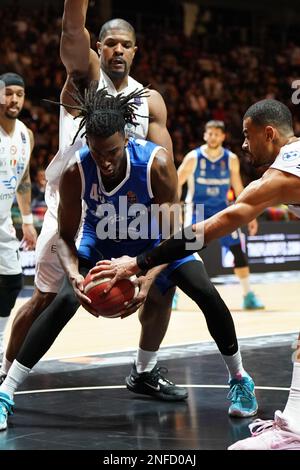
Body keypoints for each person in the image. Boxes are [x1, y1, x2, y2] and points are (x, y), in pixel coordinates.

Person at [0, 85, 258, 431]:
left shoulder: (157, 163)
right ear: (87, 144)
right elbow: (64, 237)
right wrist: (74, 274)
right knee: (61, 302)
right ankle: (6, 391)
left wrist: (147, 276)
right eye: (97, 152)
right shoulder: (76, 169)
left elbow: (174, 234)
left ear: (126, 137)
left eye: (112, 151)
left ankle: (240, 379)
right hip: (101, 239)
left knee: (207, 293)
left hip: (155, 239)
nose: (104, 161)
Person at [93, 99, 300, 450]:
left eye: (248, 137)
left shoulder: (276, 180)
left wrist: (138, 263)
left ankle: (293, 430)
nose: (244, 145)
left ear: (269, 133)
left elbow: (202, 232)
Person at [0, 0, 174, 393]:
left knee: (166, 283)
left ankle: (145, 371)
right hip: (71, 209)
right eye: (108, 43)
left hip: (121, 216)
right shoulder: (84, 79)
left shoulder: (150, 101)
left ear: (134, 50)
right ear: (98, 47)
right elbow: (72, 31)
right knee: (47, 300)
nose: (116, 50)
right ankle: (5, 370)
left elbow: (164, 171)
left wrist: (157, 244)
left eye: (124, 44)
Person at [176, 120, 264, 310]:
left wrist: (251, 215)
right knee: (182, 253)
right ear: (205, 135)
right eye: (210, 133)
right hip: (196, 211)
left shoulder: (231, 158)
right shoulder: (193, 157)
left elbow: (239, 187)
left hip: (222, 211)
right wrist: (175, 211)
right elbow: (175, 183)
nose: (213, 137)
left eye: (217, 133)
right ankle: (174, 294)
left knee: (237, 252)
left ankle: (248, 295)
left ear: (223, 136)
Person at [0, 72, 37, 363]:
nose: (14, 99)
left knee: (12, 283)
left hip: (4, 223)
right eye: (7, 93)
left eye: (19, 94)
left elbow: (23, 178)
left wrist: (26, 219)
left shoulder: (26, 134)